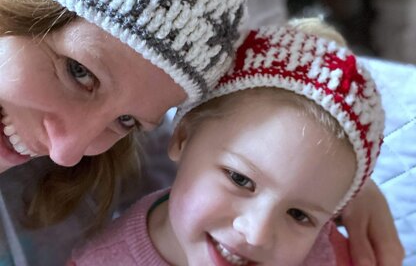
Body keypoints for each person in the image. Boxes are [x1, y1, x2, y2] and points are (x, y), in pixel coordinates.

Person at [0, 0, 403, 264]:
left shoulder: (108, 160)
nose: (67, 151)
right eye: (78, 71)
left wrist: (329, 187)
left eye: (127, 121)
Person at [68, 18, 385, 265]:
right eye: (240, 179)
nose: (256, 234)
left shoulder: (330, 257)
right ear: (183, 137)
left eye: (299, 215)